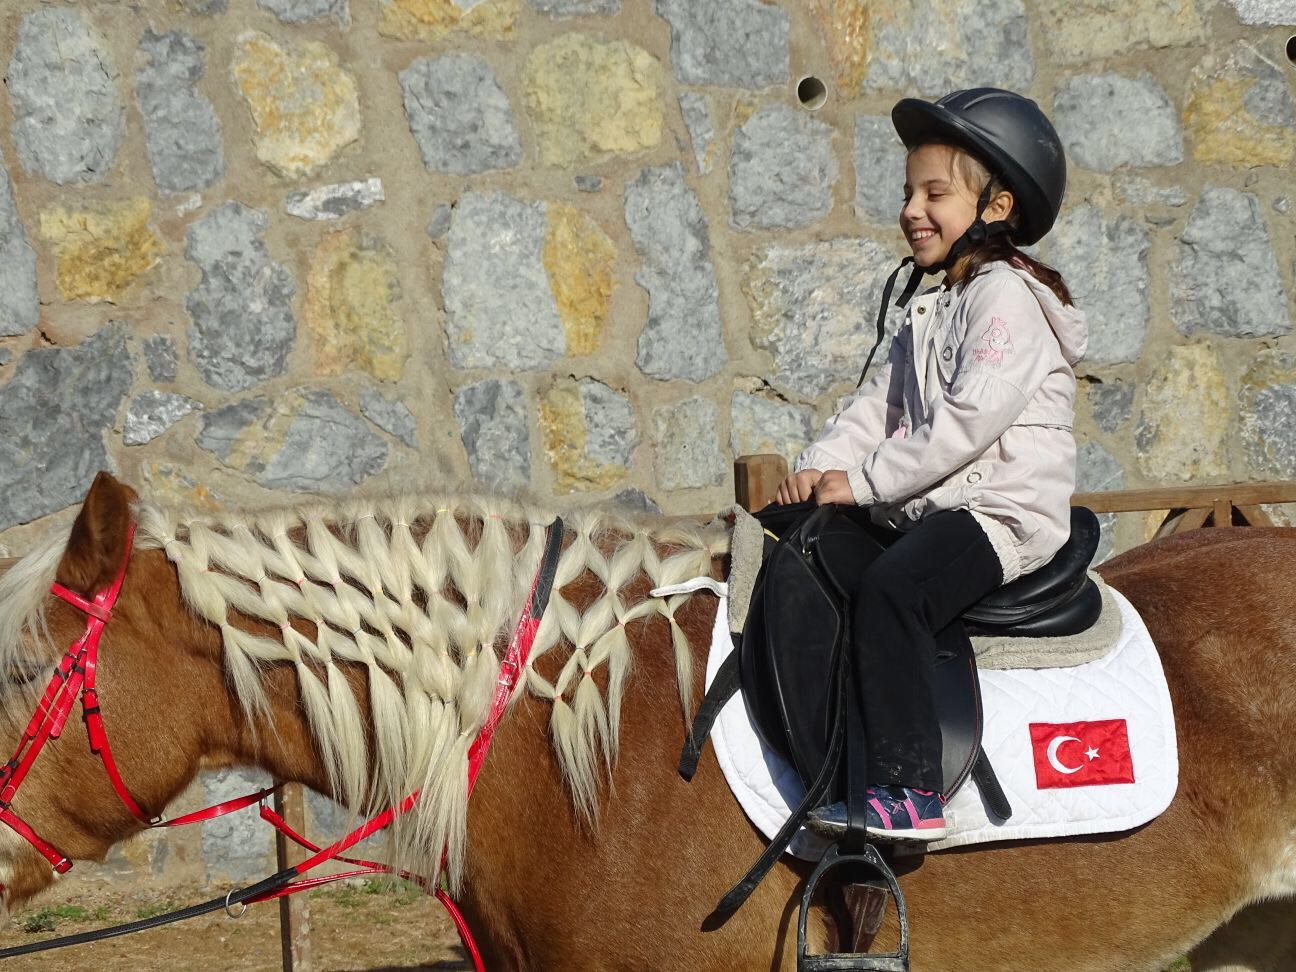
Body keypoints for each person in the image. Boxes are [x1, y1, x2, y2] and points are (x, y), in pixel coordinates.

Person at [777, 88, 1088, 842]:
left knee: (895, 588)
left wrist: (865, 483)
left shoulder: (1006, 299)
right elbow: (873, 411)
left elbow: (968, 421)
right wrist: (816, 472)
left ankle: (910, 795)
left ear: (998, 206)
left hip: (1002, 515)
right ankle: (827, 758)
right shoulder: (929, 310)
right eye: (908, 192)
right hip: (941, 510)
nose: (913, 209)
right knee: (813, 550)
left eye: (935, 193)